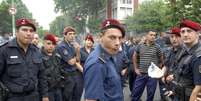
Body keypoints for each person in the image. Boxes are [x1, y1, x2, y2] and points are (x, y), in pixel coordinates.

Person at [0, 18, 49, 101]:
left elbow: (42, 76)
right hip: (12, 97)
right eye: (24, 30)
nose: (28, 33)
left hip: (33, 96)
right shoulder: (4, 50)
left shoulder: (36, 51)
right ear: (17, 32)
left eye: (31, 31)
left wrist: (45, 96)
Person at [84, 19, 125, 101]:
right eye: (112, 37)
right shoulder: (97, 64)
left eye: (120, 38)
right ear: (101, 37)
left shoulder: (109, 54)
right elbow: (91, 99)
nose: (117, 43)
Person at [132, 31, 164, 101]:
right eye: (151, 35)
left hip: (152, 75)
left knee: (151, 94)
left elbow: (161, 58)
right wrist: (136, 68)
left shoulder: (157, 47)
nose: (153, 37)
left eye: (154, 35)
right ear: (146, 36)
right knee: (136, 92)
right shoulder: (140, 46)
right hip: (141, 74)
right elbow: (134, 56)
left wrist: (158, 69)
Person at [55, 26, 83, 101]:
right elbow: (71, 62)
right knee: (67, 96)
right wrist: (77, 51)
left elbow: (78, 59)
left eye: (73, 34)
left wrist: (77, 52)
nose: (72, 36)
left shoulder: (71, 45)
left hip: (73, 74)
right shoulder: (62, 46)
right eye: (70, 34)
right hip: (66, 75)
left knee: (75, 95)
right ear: (64, 35)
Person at [177, 19, 201, 101]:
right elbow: (181, 75)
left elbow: (199, 86)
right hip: (181, 94)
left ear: (197, 34)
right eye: (182, 32)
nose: (185, 34)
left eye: (189, 31)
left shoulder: (198, 55)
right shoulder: (185, 51)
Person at [41, 34, 63, 101]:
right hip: (47, 92)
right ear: (43, 43)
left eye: (53, 44)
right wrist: (44, 95)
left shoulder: (57, 56)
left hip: (57, 89)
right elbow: (41, 78)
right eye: (48, 43)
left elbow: (60, 71)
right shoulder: (39, 57)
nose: (51, 46)